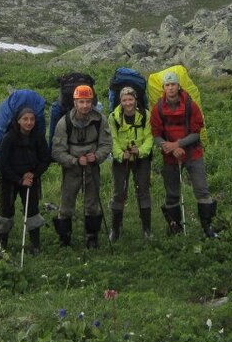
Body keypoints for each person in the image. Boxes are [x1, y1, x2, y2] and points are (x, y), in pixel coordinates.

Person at [151, 70, 217, 238]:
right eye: (167, 85)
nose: (171, 88)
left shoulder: (190, 105)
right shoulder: (158, 108)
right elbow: (156, 135)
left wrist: (177, 144)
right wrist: (172, 148)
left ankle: (207, 226)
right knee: (172, 193)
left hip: (193, 153)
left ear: (178, 86)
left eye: (173, 84)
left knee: (202, 190)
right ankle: (175, 227)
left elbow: (196, 132)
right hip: (170, 156)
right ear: (163, 88)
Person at [50, 84, 112, 248]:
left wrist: (96, 156)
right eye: (81, 102)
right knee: (66, 203)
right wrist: (74, 161)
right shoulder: (64, 123)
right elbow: (57, 151)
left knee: (92, 203)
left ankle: (92, 237)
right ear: (75, 103)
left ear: (92, 102)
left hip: (92, 166)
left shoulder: (100, 120)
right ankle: (64, 239)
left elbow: (106, 144)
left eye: (88, 102)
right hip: (72, 168)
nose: (85, 105)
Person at [0, 106, 51, 254]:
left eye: (32, 119)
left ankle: (35, 245)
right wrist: (19, 180)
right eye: (25, 119)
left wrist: (33, 174)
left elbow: (45, 159)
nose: (29, 122)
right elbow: (2, 164)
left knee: (32, 209)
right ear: (18, 120)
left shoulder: (38, 137)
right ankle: (1, 244)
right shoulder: (8, 138)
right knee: (6, 210)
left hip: (30, 177)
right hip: (10, 179)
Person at [109, 86, 154, 240]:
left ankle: (147, 229)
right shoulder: (113, 117)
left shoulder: (145, 115)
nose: (128, 103)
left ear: (136, 100)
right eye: (124, 100)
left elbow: (149, 138)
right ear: (120, 101)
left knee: (143, 191)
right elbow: (112, 140)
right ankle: (115, 229)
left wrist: (140, 151)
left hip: (141, 159)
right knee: (119, 192)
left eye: (130, 99)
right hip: (122, 160)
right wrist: (121, 155)